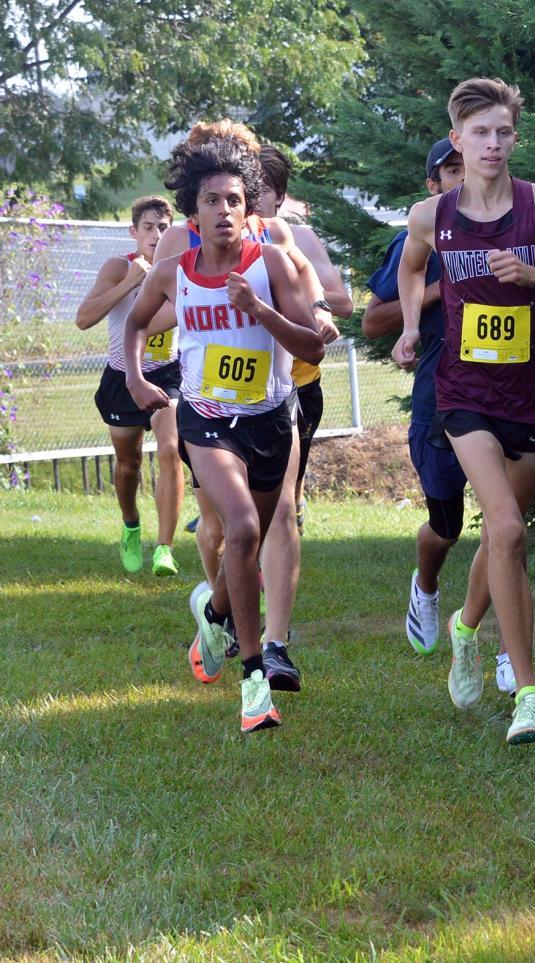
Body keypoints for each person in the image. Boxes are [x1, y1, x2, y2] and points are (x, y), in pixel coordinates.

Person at [393, 78, 535, 744]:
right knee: (507, 529)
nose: (492, 143)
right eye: (479, 133)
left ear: (515, 137)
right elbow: (413, 264)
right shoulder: (433, 216)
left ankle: (465, 627)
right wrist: (410, 327)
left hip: (533, 395)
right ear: (458, 140)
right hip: (465, 394)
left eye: (503, 131)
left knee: (502, 538)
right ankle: (530, 694)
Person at [124, 137, 324, 733]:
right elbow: (135, 324)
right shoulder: (171, 271)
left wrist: (261, 311)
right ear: (195, 213)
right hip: (206, 420)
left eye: (234, 199)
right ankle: (255, 680)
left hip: (270, 419)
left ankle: (213, 613)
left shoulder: (273, 264)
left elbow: (312, 345)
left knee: (256, 535)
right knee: (240, 529)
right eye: (212, 200)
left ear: (249, 209)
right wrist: (136, 379)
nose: (224, 210)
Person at [363, 139, 522, 685]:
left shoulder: (516, 224)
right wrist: (439, 288)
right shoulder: (422, 236)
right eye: (449, 170)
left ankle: (508, 651)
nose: (460, 176)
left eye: (463, 167)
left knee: (507, 530)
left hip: (506, 397)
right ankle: (426, 589)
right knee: (447, 526)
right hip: (441, 401)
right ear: (432, 185)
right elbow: (372, 321)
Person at [254, 143, 353, 686]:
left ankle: (273, 638)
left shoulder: (297, 238)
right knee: (234, 518)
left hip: (296, 385)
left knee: (283, 505)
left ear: (279, 195)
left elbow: (341, 299)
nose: (252, 201)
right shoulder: (210, 239)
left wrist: (313, 307)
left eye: (263, 191)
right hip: (224, 397)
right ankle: (224, 601)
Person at [76, 194, 183, 576]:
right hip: (122, 376)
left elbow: (160, 321)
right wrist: (132, 282)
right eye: (149, 228)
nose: (156, 235)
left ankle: (164, 548)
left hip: (167, 373)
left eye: (164, 228)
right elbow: (83, 319)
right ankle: (131, 524)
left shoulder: (180, 270)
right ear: (134, 231)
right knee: (128, 464)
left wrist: (157, 283)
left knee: (170, 450)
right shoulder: (117, 267)